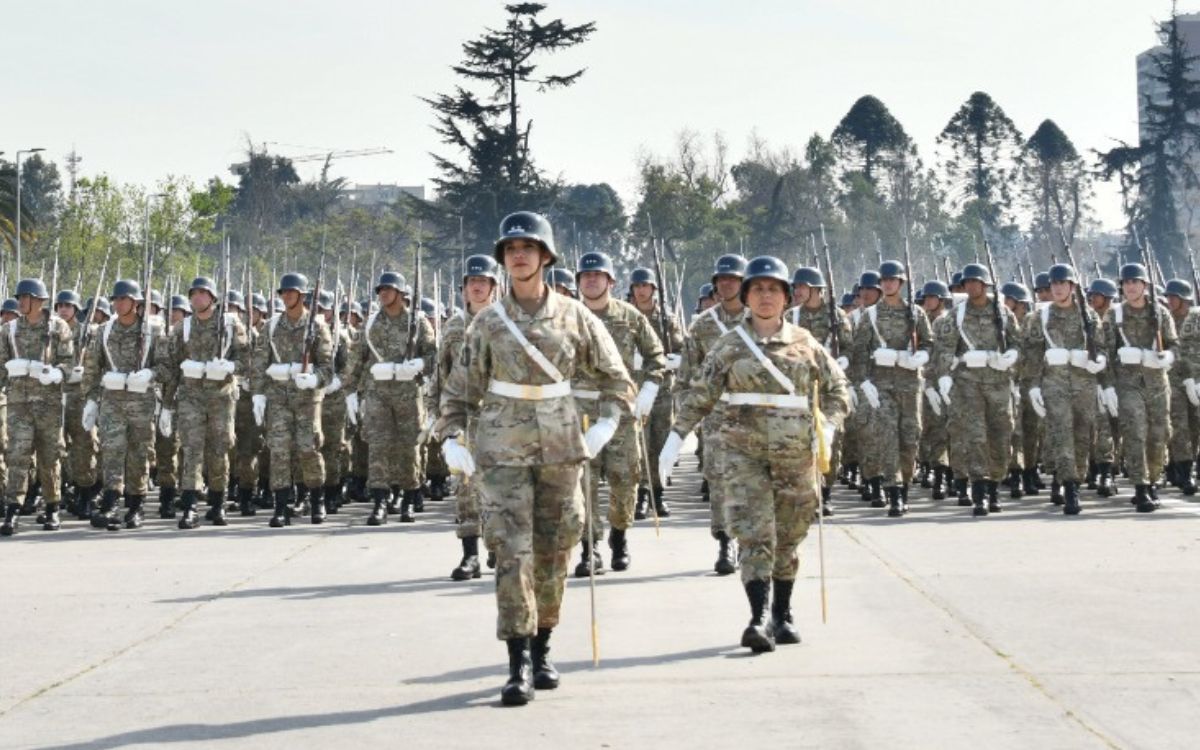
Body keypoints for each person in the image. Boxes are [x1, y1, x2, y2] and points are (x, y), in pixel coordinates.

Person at [435, 210, 634, 706]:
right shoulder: (488, 322)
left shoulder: (576, 316)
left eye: (528, 247)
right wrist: (450, 437)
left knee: (556, 548)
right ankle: (517, 661)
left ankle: (544, 646)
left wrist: (606, 426)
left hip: (563, 449)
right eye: (510, 249)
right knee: (510, 551)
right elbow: (457, 393)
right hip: (501, 451)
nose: (518, 254)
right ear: (504, 259)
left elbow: (617, 381)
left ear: (545, 257)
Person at [662, 256, 849, 652]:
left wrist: (829, 427)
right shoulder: (729, 346)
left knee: (790, 534)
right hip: (742, 454)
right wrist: (675, 437)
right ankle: (758, 616)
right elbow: (701, 394)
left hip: (795, 455)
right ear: (746, 297)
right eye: (758, 289)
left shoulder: (805, 343)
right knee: (752, 533)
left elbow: (838, 389)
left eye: (774, 290)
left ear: (786, 298)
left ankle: (783, 612)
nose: (766, 297)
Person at [571, 252, 666, 575]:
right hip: (580, 412)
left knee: (625, 480)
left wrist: (650, 389)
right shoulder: (567, 316)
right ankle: (589, 548)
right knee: (583, 484)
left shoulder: (629, 317)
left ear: (611, 281)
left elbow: (657, 357)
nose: (592, 280)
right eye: (586, 276)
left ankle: (619, 537)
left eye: (598, 275)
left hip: (621, 414)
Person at [344, 270, 435, 525]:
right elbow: (356, 358)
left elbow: (433, 356)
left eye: (388, 289)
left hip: (408, 393)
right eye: (381, 290)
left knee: (409, 447)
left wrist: (418, 363)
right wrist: (349, 390)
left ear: (401, 293)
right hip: (378, 394)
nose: (383, 293)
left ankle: (408, 498)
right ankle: (380, 502)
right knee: (378, 447)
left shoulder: (417, 322)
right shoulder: (371, 323)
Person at [1021, 264, 1109, 515]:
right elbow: (1033, 353)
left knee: (1082, 435)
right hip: (1054, 383)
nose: (1058, 289)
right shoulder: (1042, 317)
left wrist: (1098, 361)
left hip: (1084, 384)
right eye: (1054, 285)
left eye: (1063, 284)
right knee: (1061, 432)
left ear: (1072, 287)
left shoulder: (1088, 316)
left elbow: (1101, 347)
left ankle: (1071, 478)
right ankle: (1070, 487)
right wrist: (1034, 385)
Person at [160, 277, 248, 528]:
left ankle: (218, 503)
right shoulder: (183, 328)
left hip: (221, 397)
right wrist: (166, 405)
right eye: (193, 294)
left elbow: (247, 359)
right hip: (191, 398)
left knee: (219, 450)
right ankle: (189, 507)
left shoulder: (231, 324)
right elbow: (172, 368)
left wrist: (230, 367)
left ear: (212, 297)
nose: (197, 297)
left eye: (202, 293)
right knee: (191, 450)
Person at [80, 279, 166, 531]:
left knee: (139, 453)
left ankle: (136, 505)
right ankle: (110, 503)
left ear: (136, 303)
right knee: (112, 451)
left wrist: (150, 374)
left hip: (141, 402)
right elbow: (93, 369)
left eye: (123, 299)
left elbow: (166, 367)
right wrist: (91, 400)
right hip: (112, 403)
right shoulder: (104, 331)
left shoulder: (152, 332)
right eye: (115, 299)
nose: (117, 304)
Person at [849, 261, 933, 515]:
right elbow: (859, 353)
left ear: (901, 283)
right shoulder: (870, 315)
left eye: (892, 280)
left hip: (910, 385)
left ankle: (905, 485)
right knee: (887, 438)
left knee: (910, 437)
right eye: (884, 280)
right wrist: (863, 382)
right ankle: (894, 492)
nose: (887, 284)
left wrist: (921, 357)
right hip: (881, 386)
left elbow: (929, 343)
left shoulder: (916, 314)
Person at [251, 272, 334, 527]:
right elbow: (259, 363)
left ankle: (317, 500)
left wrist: (315, 379)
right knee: (278, 451)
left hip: (307, 399)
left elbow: (328, 367)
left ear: (302, 295)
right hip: (278, 398)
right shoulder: (272, 326)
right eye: (284, 292)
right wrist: (258, 394)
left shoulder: (317, 326)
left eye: (291, 292)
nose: (286, 296)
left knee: (308, 449)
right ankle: (280, 506)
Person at [684, 254, 748, 575]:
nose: (726, 284)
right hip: (716, 414)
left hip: (754, 412)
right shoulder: (703, 325)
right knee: (719, 477)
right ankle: (725, 540)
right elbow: (687, 374)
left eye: (732, 279)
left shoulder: (761, 320)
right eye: (721, 279)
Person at [0, 279, 74, 535]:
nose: (20, 302)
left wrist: (56, 373)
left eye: (25, 297)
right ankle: (12, 509)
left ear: (39, 300)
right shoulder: (9, 329)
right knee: (17, 456)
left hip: (48, 404)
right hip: (18, 403)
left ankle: (52, 507)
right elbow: (1, 364)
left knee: (49, 456)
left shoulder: (57, 327)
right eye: (19, 297)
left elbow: (68, 362)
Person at [444, 254, 500, 581]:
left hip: (500, 416)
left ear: (494, 287)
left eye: (483, 282)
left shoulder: (506, 323)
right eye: (472, 282)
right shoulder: (453, 328)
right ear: (464, 289)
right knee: (464, 485)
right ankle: (470, 556)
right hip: (465, 417)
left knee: (499, 487)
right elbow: (442, 377)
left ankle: (497, 547)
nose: (477, 287)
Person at [1105, 263, 1177, 512]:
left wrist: (1167, 356)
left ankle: (1154, 479)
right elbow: (1104, 351)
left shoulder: (1160, 313)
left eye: (1135, 282)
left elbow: (1174, 344)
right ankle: (1140, 485)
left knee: (1159, 434)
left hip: (1157, 383)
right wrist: (1109, 384)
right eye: (1126, 283)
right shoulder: (1115, 315)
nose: (1131, 286)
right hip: (1128, 384)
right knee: (1135, 432)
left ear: (1145, 285)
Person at [628, 267, 684, 521]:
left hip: (662, 390)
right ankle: (641, 493)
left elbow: (682, 351)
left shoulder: (667, 319)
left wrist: (671, 360)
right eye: (637, 286)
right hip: (634, 389)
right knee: (640, 443)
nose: (641, 290)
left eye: (645, 285)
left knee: (660, 442)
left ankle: (658, 493)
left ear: (653, 289)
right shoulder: (626, 317)